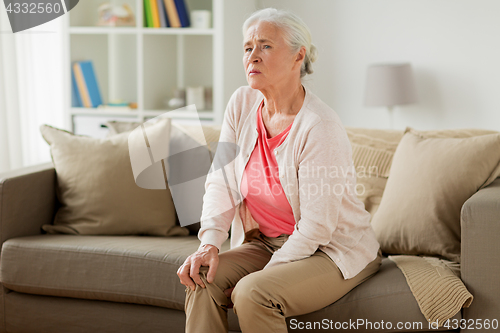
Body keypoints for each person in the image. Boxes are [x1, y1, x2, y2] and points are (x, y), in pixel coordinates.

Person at [177, 7, 382, 333]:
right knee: (203, 276)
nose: (252, 56)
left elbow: (317, 227)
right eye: (248, 47)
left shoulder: (319, 126)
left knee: (253, 292)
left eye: (265, 46)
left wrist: (264, 273)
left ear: (297, 56)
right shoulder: (241, 104)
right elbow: (222, 183)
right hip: (266, 241)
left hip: (330, 249)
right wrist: (209, 244)